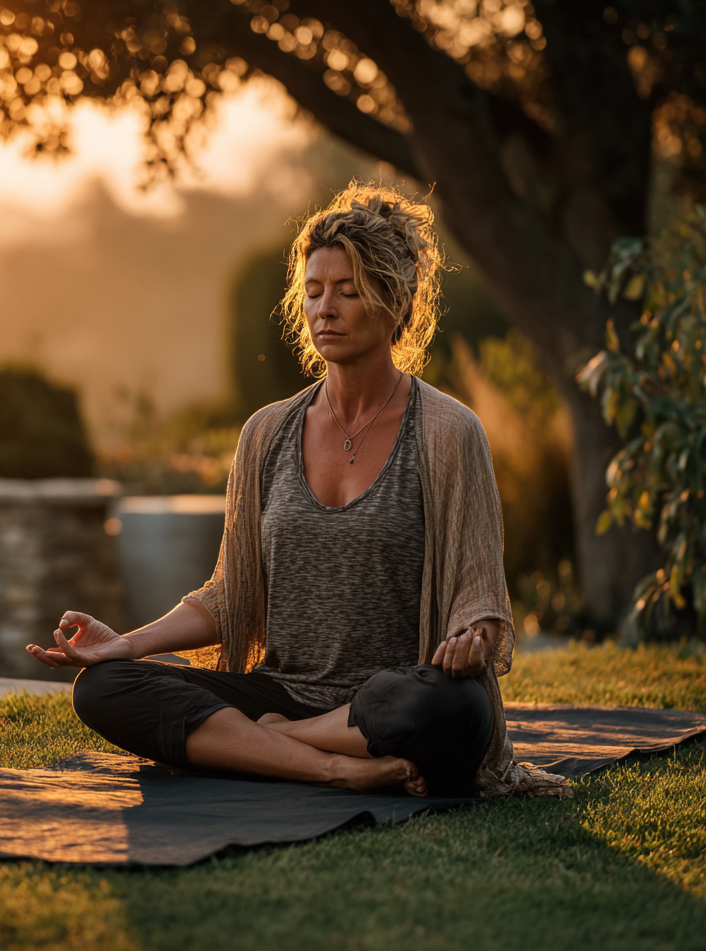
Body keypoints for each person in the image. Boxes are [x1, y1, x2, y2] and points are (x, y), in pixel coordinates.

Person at [28, 182, 568, 799]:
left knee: (457, 709)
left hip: (393, 696)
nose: (324, 309)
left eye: (347, 291)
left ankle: (267, 744)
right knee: (106, 687)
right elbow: (231, 596)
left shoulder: (447, 431)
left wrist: (471, 642)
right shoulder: (267, 432)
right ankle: (336, 767)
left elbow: (480, 603)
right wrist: (125, 644)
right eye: (312, 292)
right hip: (281, 691)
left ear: (396, 303)